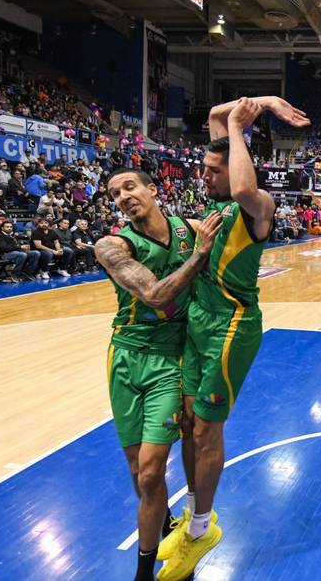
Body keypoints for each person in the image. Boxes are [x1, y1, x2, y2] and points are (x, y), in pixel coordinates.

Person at [158, 97, 306, 581]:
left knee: (205, 430)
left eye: (211, 170)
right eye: (203, 168)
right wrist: (261, 103)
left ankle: (202, 530)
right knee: (185, 423)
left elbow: (242, 181)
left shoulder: (257, 205)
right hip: (198, 322)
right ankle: (195, 515)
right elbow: (216, 118)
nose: (204, 176)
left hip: (231, 327)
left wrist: (242, 124)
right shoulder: (215, 199)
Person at [94, 168, 223, 581]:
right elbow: (152, 294)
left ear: (152, 189)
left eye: (130, 187)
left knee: (151, 471)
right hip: (126, 357)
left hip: (171, 359)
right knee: (140, 476)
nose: (123, 196)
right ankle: (165, 526)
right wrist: (199, 254)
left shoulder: (190, 229)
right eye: (115, 193)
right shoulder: (112, 245)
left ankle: (144, 571)